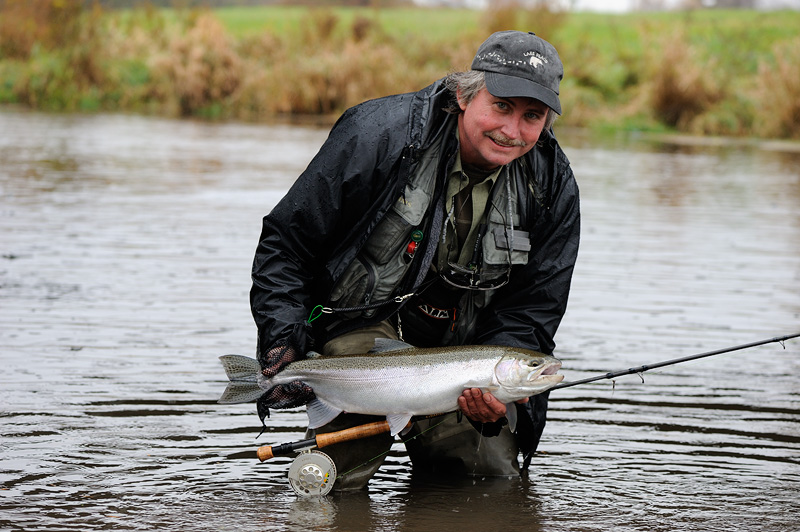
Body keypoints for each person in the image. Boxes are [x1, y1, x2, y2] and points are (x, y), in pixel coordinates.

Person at [250, 30, 580, 489]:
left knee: (490, 486)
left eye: (533, 116)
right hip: (359, 334)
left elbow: (533, 309)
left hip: (465, 355)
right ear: (466, 95)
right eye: (501, 106)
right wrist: (282, 339)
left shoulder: (552, 186)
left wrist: (499, 400)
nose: (512, 130)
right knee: (334, 484)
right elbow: (287, 244)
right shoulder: (378, 135)